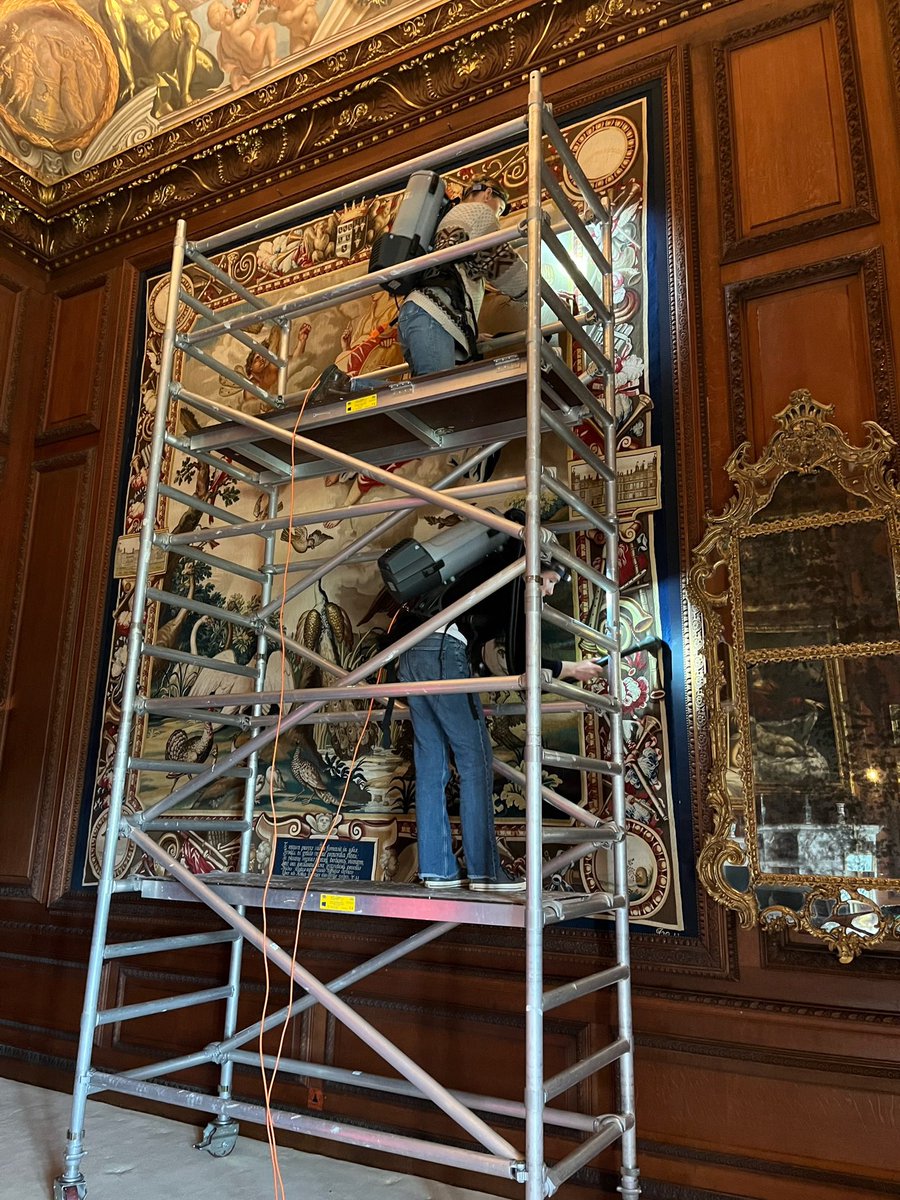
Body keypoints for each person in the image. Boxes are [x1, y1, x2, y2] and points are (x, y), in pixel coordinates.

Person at [395, 521, 605, 891]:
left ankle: (437, 869)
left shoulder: (489, 565)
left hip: (411, 651)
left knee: (430, 762)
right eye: (551, 581)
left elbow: (500, 657)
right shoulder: (516, 580)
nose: (549, 590)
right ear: (538, 569)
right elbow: (523, 658)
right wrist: (572, 669)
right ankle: (485, 873)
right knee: (475, 761)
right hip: (444, 651)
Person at [307, 175, 527, 402]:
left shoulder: (449, 220)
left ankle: (345, 387)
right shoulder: (478, 213)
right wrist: (534, 292)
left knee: (424, 397)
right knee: (434, 396)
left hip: (423, 316)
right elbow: (502, 262)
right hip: (432, 317)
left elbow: (453, 275)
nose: (496, 216)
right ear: (488, 193)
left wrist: (468, 335)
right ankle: (344, 387)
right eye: (499, 209)